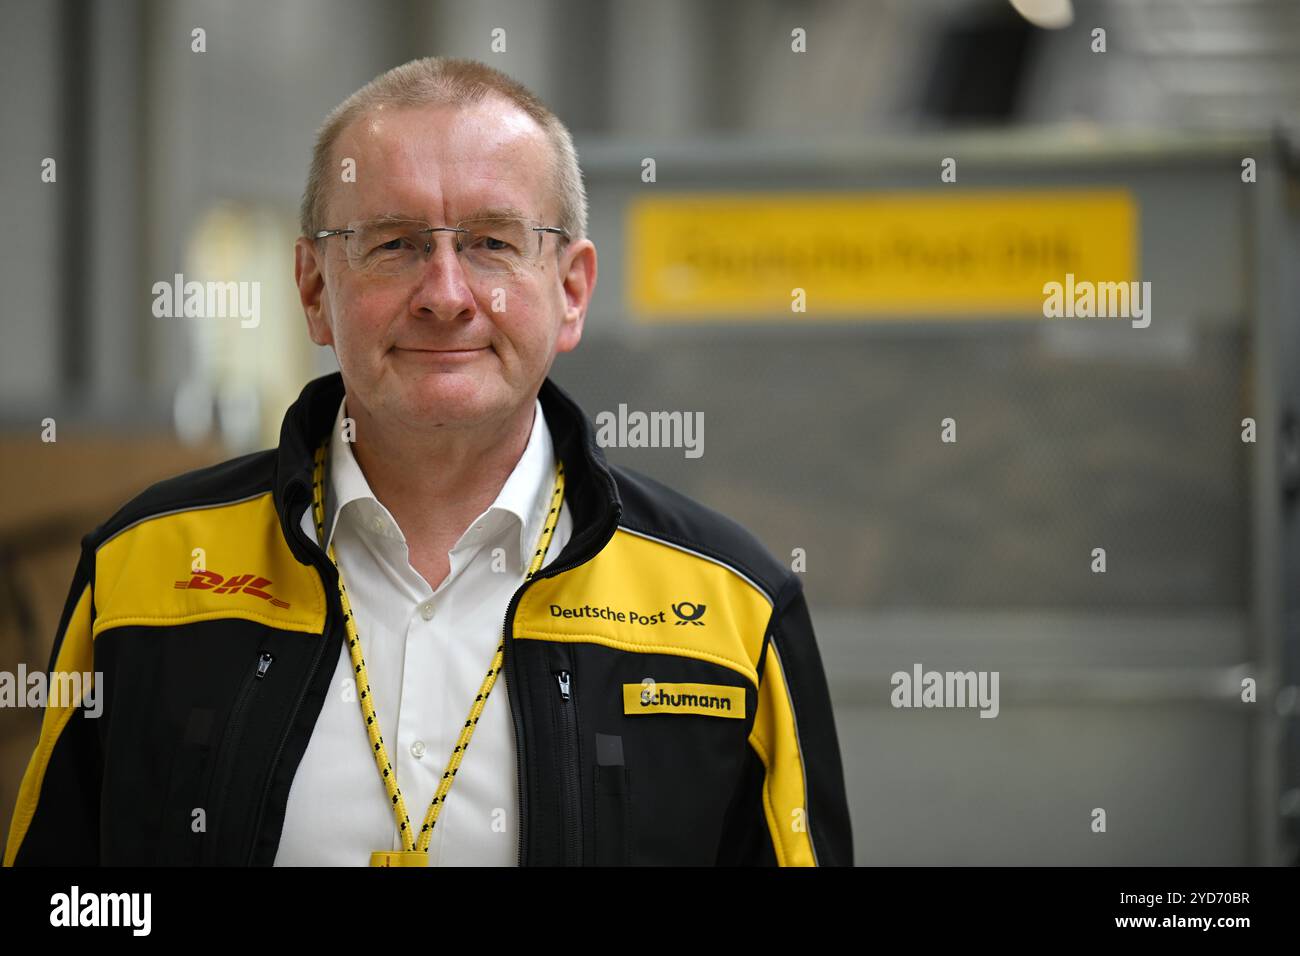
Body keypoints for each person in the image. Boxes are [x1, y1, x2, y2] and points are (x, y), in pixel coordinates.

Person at [4, 56, 852, 866]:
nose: (445, 295)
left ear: (571, 290)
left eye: (491, 242)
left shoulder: (734, 607)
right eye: (395, 244)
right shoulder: (142, 570)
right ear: (312, 288)